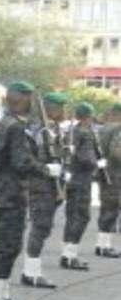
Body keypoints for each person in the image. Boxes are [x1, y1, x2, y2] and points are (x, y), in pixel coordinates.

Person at [0, 81, 58, 300]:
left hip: (4, 192)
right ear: (21, 99)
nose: (33, 103)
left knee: (7, 246)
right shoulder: (15, 126)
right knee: (7, 246)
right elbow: (21, 161)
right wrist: (47, 170)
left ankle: (1, 297)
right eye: (30, 98)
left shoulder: (7, 123)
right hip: (10, 194)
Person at [20, 92, 67, 288]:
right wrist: (47, 169)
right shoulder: (39, 130)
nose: (63, 111)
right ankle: (30, 273)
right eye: (60, 107)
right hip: (41, 185)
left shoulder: (53, 128)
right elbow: (31, 160)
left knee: (45, 227)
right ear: (50, 109)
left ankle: (32, 270)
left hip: (53, 184)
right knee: (40, 227)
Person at [59, 102, 103, 271]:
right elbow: (86, 158)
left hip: (71, 178)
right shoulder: (86, 132)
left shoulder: (73, 131)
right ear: (89, 116)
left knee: (72, 216)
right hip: (81, 179)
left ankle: (67, 252)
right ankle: (70, 256)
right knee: (82, 216)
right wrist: (98, 163)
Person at [97, 102, 121, 258]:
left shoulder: (103, 128)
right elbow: (116, 151)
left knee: (106, 209)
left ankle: (102, 244)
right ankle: (104, 246)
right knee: (112, 209)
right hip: (115, 173)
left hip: (105, 172)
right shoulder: (118, 129)